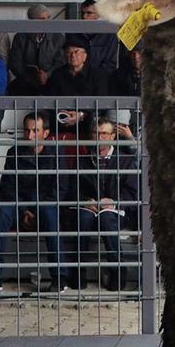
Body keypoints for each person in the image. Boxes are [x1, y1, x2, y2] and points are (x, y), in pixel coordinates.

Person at [0, 111, 68, 293]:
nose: (29, 136)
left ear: (46, 133)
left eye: (35, 130)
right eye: (27, 130)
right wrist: (24, 211)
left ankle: (60, 277)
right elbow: (7, 187)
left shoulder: (56, 153)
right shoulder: (15, 152)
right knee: (3, 211)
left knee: (50, 212)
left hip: (44, 206)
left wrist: (36, 210)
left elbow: (59, 189)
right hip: (19, 206)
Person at [67, 117, 139, 291]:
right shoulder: (82, 160)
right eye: (95, 133)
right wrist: (84, 200)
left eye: (104, 134)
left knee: (107, 219)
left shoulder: (126, 160)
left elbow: (133, 193)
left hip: (117, 211)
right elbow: (72, 189)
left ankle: (117, 275)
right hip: (89, 208)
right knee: (83, 218)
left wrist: (114, 202)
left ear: (113, 136)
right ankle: (78, 276)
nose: (99, 137)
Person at [45, 34, 110, 133]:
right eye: (69, 52)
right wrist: (62, 113)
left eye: (76, 52)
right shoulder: (57, 75)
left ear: (85, 56)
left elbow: (102, 103)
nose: (73, 55)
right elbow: (50, 99)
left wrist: (80, 115)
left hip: (88, 122)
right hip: (61, 120)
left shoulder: (98, 75)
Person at [7, 4, 66, 95]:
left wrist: (47, 75)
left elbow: (61, 63)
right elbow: (15, 63)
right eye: (42, 19)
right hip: (26, 80)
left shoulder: (58, 37)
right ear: (32, 21)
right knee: (15, 88)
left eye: (48, 18)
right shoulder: (20, 37)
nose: (47, 22)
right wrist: (31, 77)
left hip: (52, 80)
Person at [77, 0, 120, 74]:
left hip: (102, 78)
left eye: (89, 13)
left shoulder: (109, 35)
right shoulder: (75, 34)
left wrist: (96, 77)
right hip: (79, 78)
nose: (84, 16)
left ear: (98, 15)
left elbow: (111, 63)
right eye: (82, 13)